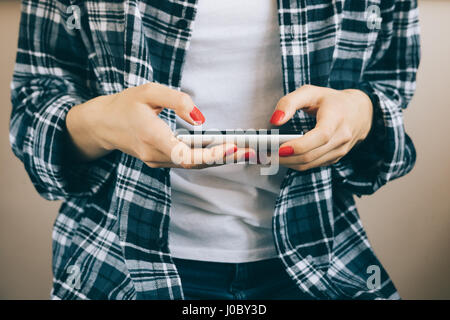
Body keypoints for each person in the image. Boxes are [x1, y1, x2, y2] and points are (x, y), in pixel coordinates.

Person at [9, 0, 420, 300]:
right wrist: (102, 123)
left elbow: (389, 88)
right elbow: (32, 108)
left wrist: (361, 112)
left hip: (322, 258)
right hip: (118, 265)